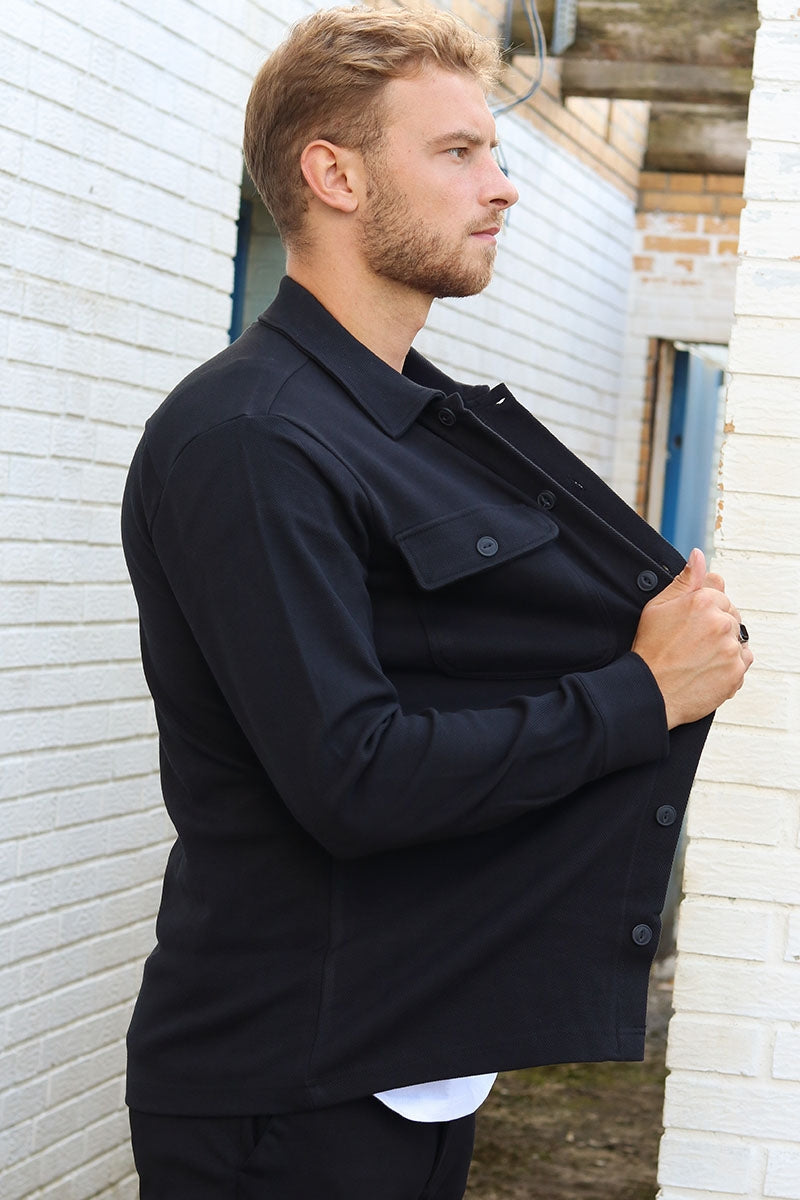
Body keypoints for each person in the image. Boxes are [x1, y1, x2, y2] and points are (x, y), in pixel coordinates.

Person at [120, 6, 753, 1197]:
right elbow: (350, 774)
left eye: (494, 153)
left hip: (412, 1063)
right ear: (335, 175)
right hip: (290, 1097)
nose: (500, 187)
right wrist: (638, 694)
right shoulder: (251, 439)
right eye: (457, 152)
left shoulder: (410, 418)